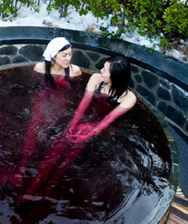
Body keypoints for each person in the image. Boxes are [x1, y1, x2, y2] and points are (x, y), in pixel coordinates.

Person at [22, 56, 137, 199]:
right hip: (88, 119)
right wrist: (72, 124)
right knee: (63, 139)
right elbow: (84, 102)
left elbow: (109, 119)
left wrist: (88, 134)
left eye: (105, 70)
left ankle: (53, 181)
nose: (100, 70)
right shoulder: (96, 79)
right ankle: (36, 183)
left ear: (116, 76)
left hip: (108, 128)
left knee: (79, 135)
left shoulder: (128, 98)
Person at [0, 37, 81, 186]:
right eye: (64, 55)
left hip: (60, 100)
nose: (69, 58)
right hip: (43, 97)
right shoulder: (40, 68)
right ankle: (22, 165)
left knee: (49, 127)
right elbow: (32, 86)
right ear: (54, 55)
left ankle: (31, 166)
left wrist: (67, 91)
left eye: (70, 54)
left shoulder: (74, 71)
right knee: (34, 125)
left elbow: (76, 92)